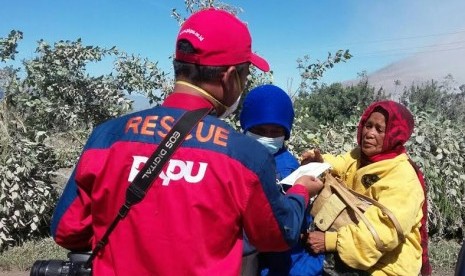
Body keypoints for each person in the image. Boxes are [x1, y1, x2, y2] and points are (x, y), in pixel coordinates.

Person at [50, 8, 323, 276]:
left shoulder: (106, 137)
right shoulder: (245, 155)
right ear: (230, 77)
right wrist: (300, 192)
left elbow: (67, 229)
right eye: (245, 76)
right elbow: (277, 235)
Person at [302, 100, 429, 275]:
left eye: (379, 129)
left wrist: (330, 241)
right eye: (368, 126)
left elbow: (383, 233)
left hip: (387, 266)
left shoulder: (403, 178)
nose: (369, 133)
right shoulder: (360, 155)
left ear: (394, 135)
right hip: (356, 246)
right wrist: (321, 163)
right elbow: (342, 164)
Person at [239, 84, 324, 276]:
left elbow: (287, 226)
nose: (268, 137)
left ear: (285, 133)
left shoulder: (287, 167)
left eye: (275, 131)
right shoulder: (237, 157)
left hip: (286, 263)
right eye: (260, 130)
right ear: (246, 126)